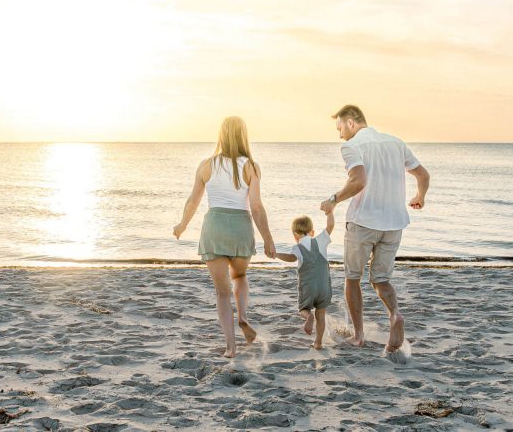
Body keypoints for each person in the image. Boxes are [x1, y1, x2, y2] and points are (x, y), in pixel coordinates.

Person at [320, 105, 430, 354]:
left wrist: (334, 200)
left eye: (339, 128)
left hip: (363, 222)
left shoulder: (352, 146)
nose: (340, 135)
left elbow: (358, 180)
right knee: (381, 280)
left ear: (350, 122)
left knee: (352, 278)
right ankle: (395, 315)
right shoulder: (396, 143)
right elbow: (423, 175)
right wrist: (420, 196)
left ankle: (358, 336)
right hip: (394, 223)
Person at [173, 116, 277, 358]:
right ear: (243, 135)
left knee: (222, 293)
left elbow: (193, 201)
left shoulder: (206, 165)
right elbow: (257, 207)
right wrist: (268, 239)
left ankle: (231, 347)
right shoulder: (251, 166)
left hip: (215, 227)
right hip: (240, 227)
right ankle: (242, 317)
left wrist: (182, 225)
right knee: (239, 276)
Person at [274, 209, 335, 349]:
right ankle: (318, 342)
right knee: (321, 314)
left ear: (295, 235)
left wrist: (276, 254)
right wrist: (329, 211)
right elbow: (330, 225)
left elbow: (290, 258)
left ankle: (308, 317)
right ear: (312, 232)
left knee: (303, 308)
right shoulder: (320, 241)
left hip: (308, 288)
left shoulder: (297, 248)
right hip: (324, 287)